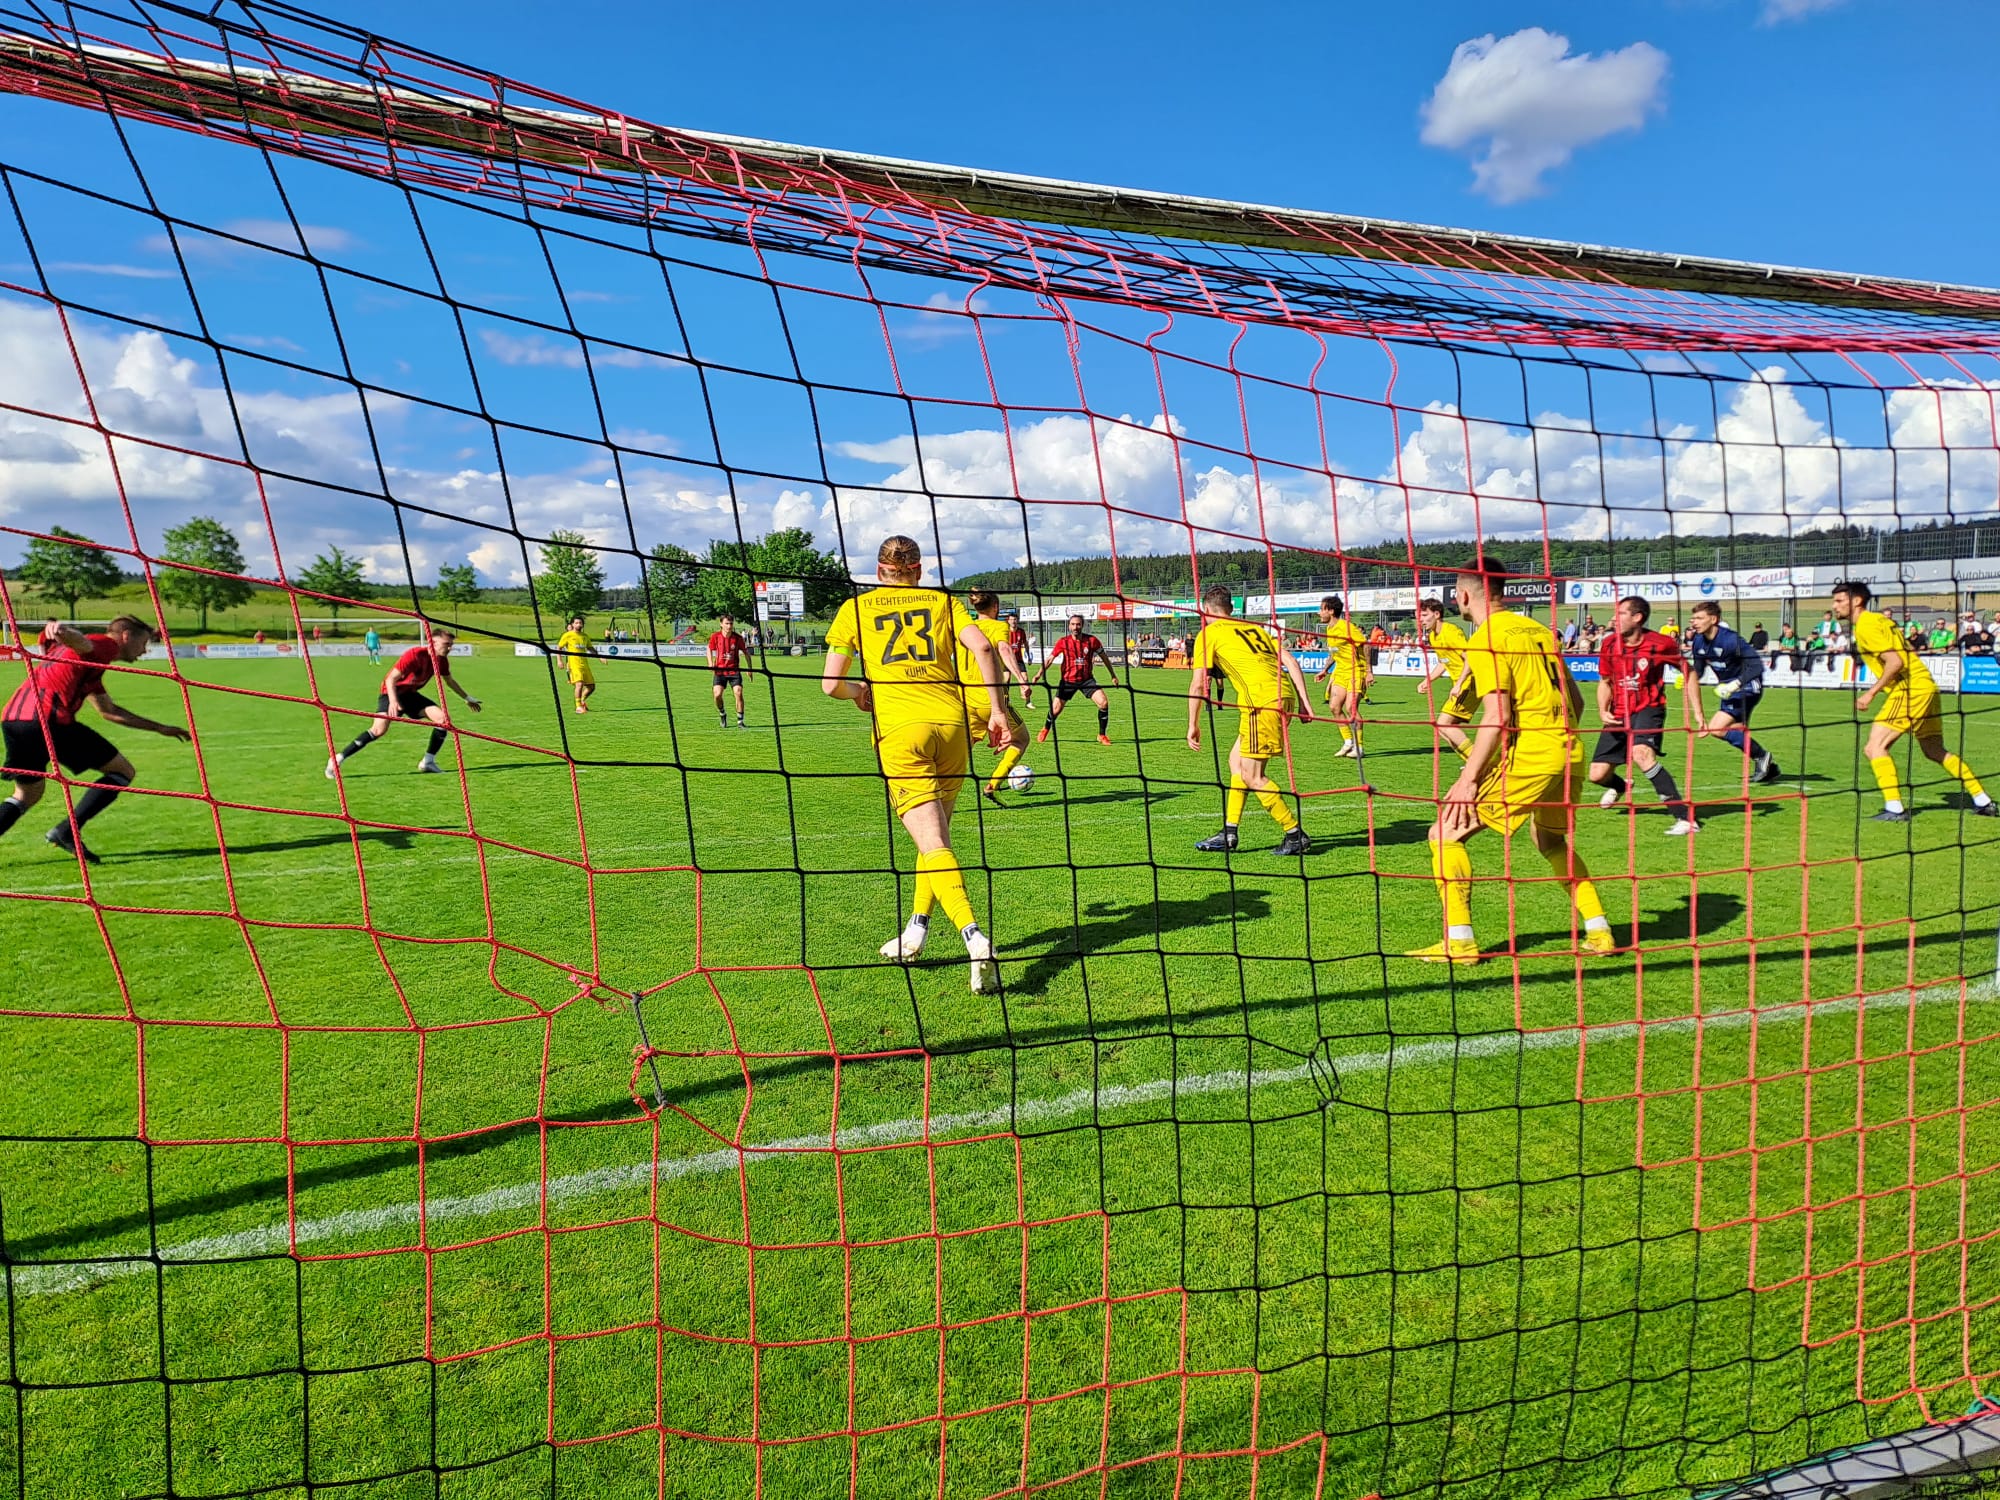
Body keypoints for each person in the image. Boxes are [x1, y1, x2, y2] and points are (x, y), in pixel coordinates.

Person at [822, 535, 1009, 990]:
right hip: (952, 727)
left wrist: (859, 692)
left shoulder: (856, 608)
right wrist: (998, 711)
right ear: (919, 570)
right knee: (935, 839)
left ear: (879, 570)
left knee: (934, 842)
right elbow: (984, 649)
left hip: (902, 733)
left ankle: (974, 937)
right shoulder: (942, 601)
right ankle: (916, 931)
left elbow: (830, 684)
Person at [1410, 564, 1613, 964]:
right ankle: (1599, 931)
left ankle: (1460, 942)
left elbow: (1497, 715)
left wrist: (1469, 779)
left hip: (1533, 753)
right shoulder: (1539, 631)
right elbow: (1577, 701)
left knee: (1444, 833)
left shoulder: (1487, 636)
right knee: (1549, 841)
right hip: (1570, 751)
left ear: (1463, 596)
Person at [0, 617, 190, 865]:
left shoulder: (89, 668)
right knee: (122, 771)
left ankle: (66, 831)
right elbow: (84, 643)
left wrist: (159, 727)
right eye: (143, 643)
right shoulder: (106, 645)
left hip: (14, 720)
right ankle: (67, 830)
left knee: (26, 795)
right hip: (48, 720)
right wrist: (64, 630)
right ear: (125, 636)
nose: (144, 651)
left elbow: (109, 711)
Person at [1831, 580, 1995, 821]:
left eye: (1839, 601)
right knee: (1933, 750)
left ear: (1857, 601)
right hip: (1926, 685)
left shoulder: (1865, 625)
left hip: (1910, 689)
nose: (1834, 606)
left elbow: (1895, 662)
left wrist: (1870, 693)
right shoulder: (1880, 620)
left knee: (1874, 747)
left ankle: (1895, 808)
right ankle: (1983, 800)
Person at [1186, 586, 1314, 855]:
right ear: (1231, 608)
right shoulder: (1254, 628)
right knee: (1236, 761)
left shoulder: (1209, 633)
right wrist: (1304, 702)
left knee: (1253, 775)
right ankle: (1229, 832)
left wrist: (1193, 725)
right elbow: (1291, 661)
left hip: (1260, 703)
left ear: (1206, 610)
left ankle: (1294, 834)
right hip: (1281, 696)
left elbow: (1198, 683)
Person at [1588, 596, 1698, 836]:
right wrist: (1602, 710)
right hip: (1619, 711)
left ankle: (1685, 818)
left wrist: (1697, 713)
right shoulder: (1609, 644)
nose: (1614, 619)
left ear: (1637, 617)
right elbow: (1605, 681)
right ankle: (1622, 786)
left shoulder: (1661, 644)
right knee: (1596, 775)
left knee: (1641, 754)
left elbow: (1688, 672)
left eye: (1621, 614)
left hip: (1649, 708)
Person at [325, 627, 480, 778]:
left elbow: (449, 681)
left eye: (451, 645)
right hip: (391, 692)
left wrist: (467, 698)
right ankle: (338, 759)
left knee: (443, 720)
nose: (450, 648)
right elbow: (390, 679)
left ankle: (427, 762)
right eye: (446, 644)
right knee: (378, 730)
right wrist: (393, 701)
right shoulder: (414, 655)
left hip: (410, 695)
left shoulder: (441, 661)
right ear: (433, 642)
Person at [1684, 601, 1781, 787]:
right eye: (1693, 618)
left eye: (1699, 618)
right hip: (1729, 690)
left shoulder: (1731, 640)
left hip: (1748, 686)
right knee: (1736, 731)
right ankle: (1769, 768)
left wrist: (1735, 685)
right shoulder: (1698, 642)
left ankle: (1762, 756)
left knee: (1716, 728)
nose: (1694, 622)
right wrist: (1687, 676)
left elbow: (1757, 666)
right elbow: (1699, 670)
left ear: (1713, 619)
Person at [963, 591, 1034, 801]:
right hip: (990, 700)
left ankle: (933, 787)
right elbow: (1004, 649)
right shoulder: (998, 626)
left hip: (966, 698)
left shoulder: (966, 627)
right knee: (1021, 739)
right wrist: (1021, 679)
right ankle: (992, 785)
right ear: (995, 606)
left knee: (961, 750)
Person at [1036, 615, 1118, 745]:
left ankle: (1102, 735)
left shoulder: (1092, 641)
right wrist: (1039, 674)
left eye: (1078, 624)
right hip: (1068, 681)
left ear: (1082, 625)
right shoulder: (1063, 642)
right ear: (1069, 626)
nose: (1075, 627)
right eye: (1073, 624)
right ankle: (1045, 729)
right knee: (1055, 709)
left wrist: (1113, 675)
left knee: (1103, 703)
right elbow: (1050, 659)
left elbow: (1104, 657)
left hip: (1087, 680)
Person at [1415, 596, 1474, 759]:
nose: (1421, 620)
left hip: (1470, 682)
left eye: (1424, 615)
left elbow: (1470, 658)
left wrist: (1459, 684)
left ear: (1437, 614)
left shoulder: (1451, 632)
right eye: (1419, 616)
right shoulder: (1433, 636)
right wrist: (1427, 680)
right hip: (1461, 683)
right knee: (1442, 729)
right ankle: (1473, 763)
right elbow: (1444, 662)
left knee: (1444, 724)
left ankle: (1479, 764)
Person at [1314, 595, 1370, 758]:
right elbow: (1334, 652)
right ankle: (1348, 742)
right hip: (1340, 671)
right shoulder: (1329, 629)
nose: (1319, 613)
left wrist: (1369, 671)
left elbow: (1365, 645)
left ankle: (1359, 747)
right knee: (1334, 707)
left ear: (1331, 611)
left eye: (1322, 609)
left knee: (1351, 708)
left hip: (1356, 670)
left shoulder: (1346, 627)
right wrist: (1325, 670)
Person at [709, 613, 748, 728]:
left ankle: (740, 722)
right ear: (721, 624)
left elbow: (746, 653)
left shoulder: (738, 638)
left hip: (734, 671)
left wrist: (749, 669)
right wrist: (710, 663)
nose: (729, 626)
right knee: (717, 695)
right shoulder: (715, 636)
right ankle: (722, 714)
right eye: (726, 623)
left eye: (731, 623)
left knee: (738, 693)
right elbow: (709, 649)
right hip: (720, 672)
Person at [556, 615, 597, 713]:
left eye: (580, 623)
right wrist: (559, 660)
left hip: (584, 664)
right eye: (576, 623)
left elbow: (590, 648)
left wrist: (599, 656)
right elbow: (559, 647)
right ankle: (578, 707)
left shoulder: (585, 636)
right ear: (572, 624)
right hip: (574, 664)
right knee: (579, 684)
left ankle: (582, 700)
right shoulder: (568, 635)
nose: (578, 624)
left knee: (591, 687)